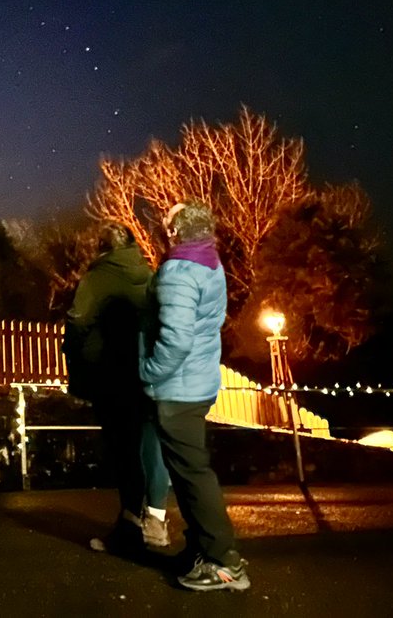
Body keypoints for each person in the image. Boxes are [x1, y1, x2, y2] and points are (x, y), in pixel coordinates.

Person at [139, 201, 249, 591]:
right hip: (198, 383)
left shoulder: (178, 272)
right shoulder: (210, 262)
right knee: (190, 474)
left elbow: (175, 339)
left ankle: (224, 562)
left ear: (175, 232)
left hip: (177, 389)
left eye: (168, 223)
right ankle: (203, 549)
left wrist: (149, 373)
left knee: (192, 478)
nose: (164, 227)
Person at [62, 225, 172, 555]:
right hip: (150, 372)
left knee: (125, 450)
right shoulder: (150, 274)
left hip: (112, 376)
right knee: (153, 444)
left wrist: (79, 367)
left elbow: (78, 323)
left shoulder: (97, 279)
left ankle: (129, 525)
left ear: (101, 249)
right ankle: (156, 520)